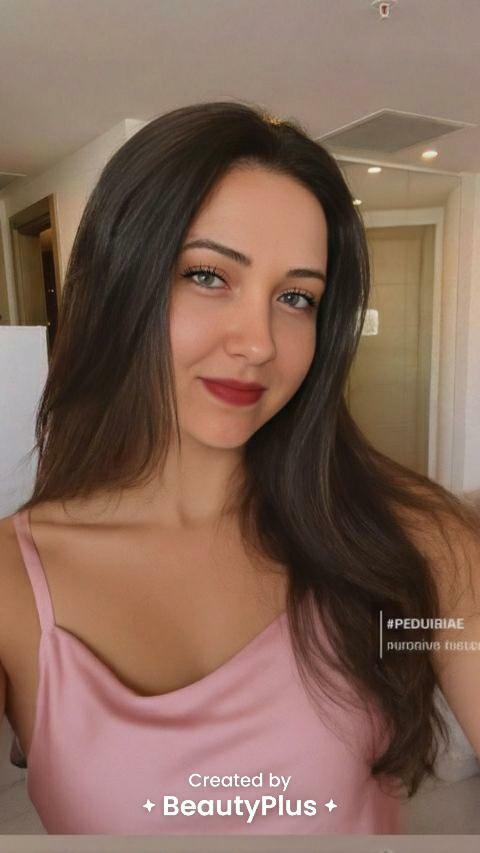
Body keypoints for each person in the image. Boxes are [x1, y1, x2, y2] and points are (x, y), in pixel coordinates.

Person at [0, 100, 479, 836]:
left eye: (296, 297)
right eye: (208, 275)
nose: (259, 342)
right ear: (118, 282)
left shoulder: (416, 535)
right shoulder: (12, 582)